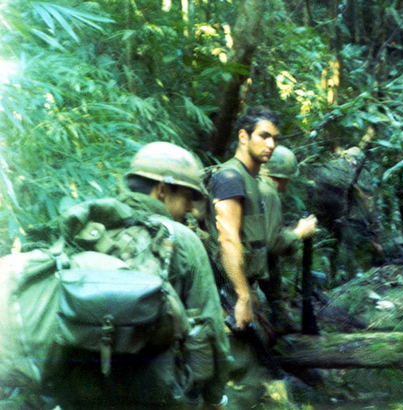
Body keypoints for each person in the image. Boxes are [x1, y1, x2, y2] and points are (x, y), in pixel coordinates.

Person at [54, 141, 231, 409]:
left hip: (82, 389)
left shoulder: (91, 227)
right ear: (161, 191)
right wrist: (213, 398)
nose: (191, 209)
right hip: (154, 392)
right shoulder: (182, 238)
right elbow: (211, 328)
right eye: (186, 197)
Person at [208, 106, 280, 331]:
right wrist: (242, 297)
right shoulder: (231, 177)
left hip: (240, 287)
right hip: (223, 292)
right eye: (264, 136)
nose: (271, 145)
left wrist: (250, 290)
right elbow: (228, 239)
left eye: (275, 139)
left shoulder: (251, 179)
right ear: (243, 136)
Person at [258, 145, 318, 335]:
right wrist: (300, 233)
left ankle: (280, 318)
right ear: (283, 177)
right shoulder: (267, 192)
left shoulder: (252, 183)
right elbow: (273, 244)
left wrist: (290, 231)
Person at [310, 146, 384, 281]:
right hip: (351, 221)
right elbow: (367, 201)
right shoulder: (362, 174)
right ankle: (345, 280)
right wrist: (375, 232)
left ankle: (331, 280)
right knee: (347, 252)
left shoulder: (331, 168)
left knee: (331, 250)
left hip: (329, 219)